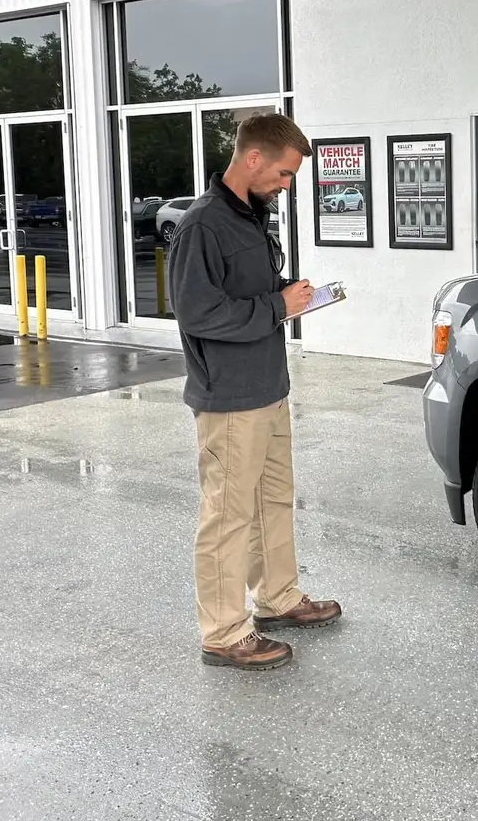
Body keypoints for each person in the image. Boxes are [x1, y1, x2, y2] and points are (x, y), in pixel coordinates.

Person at [167, 113, 341, 670]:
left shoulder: (250, 219)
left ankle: (279, 597)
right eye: (285, 174)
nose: (287, 185)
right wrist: (276, 307)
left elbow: (247, 297)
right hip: (230, 398)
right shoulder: (203, 225)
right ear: (253, 158)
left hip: (268, 386)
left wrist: (291, 297)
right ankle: (223, 632)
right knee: (228, 515)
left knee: (272, 502)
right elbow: (196, 311)